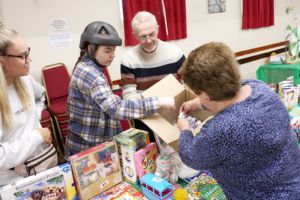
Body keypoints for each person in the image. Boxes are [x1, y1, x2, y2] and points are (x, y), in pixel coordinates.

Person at [177, 42, 300, 199]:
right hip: (293, 179)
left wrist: (185, 129)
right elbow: (227, 97)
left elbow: (191, 156)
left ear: (206, 95)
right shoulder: (259, 87)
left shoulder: (221, 128)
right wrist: (199, 103)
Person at [66, 21, 175, 159]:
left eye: (113, 50)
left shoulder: (89, 65)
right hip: (88, 150)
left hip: (94, 143)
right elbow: (116, 108)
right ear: (90, 48)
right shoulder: (90, 74)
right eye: (107, 50)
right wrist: (158, 102)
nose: (113, 55)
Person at [0, 23, 54, 186]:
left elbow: (41, 96)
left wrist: (35, 116)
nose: (29, 60)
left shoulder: (26, 80)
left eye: (27, 52)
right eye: (22, 56)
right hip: (14, 182)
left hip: (41, 165)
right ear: (2, 61)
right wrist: (37, 136)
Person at [120, 11, 185, 137]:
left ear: (157, 29)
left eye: (152, 34)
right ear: (134, 35)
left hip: (174, 114)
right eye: (143, 37)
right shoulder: (129, 59)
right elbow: (129, 97)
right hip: (146, 120)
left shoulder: (175, 53)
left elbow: (189, 83)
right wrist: (151, 106)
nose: (148, 40)